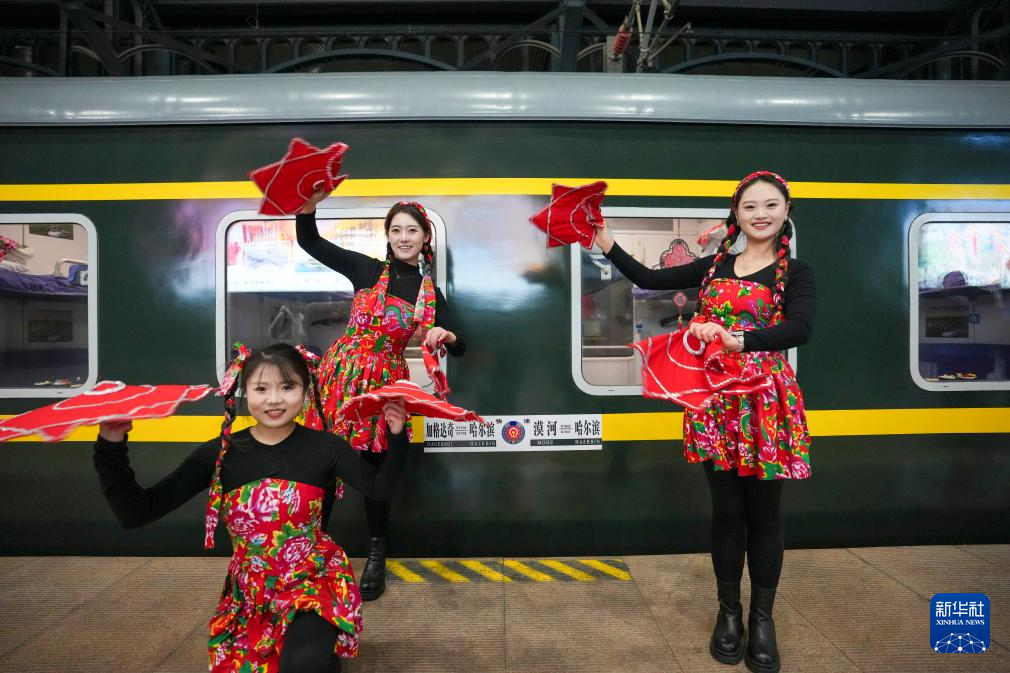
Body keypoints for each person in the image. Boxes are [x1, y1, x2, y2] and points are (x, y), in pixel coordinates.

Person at [595, 171, 815, 673]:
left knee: (765, 516)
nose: (760, 214)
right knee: (727, 512)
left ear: (786, 211)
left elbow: (800, 328)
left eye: (771, 205)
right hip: (715, 403)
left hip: (764, 404)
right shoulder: (716, 265)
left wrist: (741, 341)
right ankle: (729, 613)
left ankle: (762, 619)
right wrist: (605, 240)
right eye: (750, 206)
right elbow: (649, 279)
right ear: (735, 214)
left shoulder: (797, 272)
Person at [93, 344, 411, 673]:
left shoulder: (327, 448)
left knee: (304, 664)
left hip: (312, 582)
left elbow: (381, 490)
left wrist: (397, 436)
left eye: (287, 387)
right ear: (245, 391)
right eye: (261, 389)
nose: (274, 399)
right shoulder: (221, 454)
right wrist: (110, 444)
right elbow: (137, 512)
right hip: (251, 595)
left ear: (305, 389)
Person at [296, 191, 466, 601]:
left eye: (412, 230)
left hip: (384, 385)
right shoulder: (366, 269)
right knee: (324, 465)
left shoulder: (430, 294)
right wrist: (307, 208)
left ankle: (375, 555)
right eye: (396, 230)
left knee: (376, 468)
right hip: (339, 378)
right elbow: (310, 241)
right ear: (388, 236)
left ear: (425, 237)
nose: (404, 237)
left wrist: (446, 334)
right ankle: (312, 553)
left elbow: (461, 345)